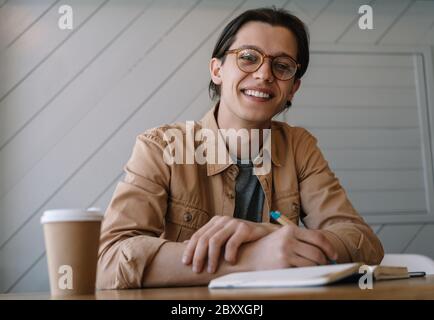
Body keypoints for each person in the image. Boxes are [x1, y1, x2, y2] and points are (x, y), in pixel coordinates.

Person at [96, 7, 384, 289]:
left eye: (282, 65)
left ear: (293, 88)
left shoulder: (300, 147)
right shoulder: (161, 147)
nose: (264, 74)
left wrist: (265, 232)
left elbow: (363, 243)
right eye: (248, 58)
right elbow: (107, 262)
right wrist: (252, 256)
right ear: (217, 69)